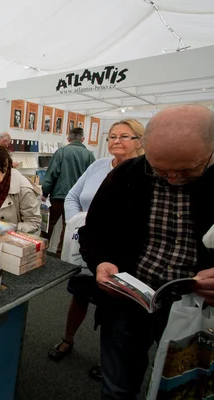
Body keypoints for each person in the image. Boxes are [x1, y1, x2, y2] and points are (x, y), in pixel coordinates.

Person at [78, 105, 214, 399]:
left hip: (199, 309)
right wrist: (101, 262)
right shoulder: (127, 174)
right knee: (118, 386)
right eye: (160, 170)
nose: (173, 178)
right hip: (128, 300)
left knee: (189, 388)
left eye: (188, 170)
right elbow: (93, 231)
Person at [48, 119, 145, 381]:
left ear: (139, 141)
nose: (116, 141)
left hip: (118, 254)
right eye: (112, 136)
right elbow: (71, 196)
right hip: (87, 247)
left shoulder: (145, 173)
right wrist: (78, 222)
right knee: (78, 296)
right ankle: (68, 339)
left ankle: (107, 359)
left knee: (113, 309)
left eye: (125, 136)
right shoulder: (97, 165)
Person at [41, 127, 95, 257]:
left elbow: (52, 173)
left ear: (68, 139)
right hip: (77, 199)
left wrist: (45, 192)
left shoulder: (61, 152)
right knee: (68, 227)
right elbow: (92, 178)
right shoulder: (89, 155)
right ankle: (61, 256)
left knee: (48, 224)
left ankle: (40, 251)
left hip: (58, 196)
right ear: (83, 139)